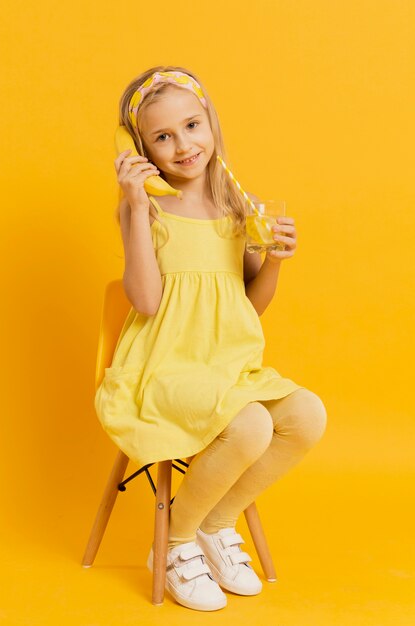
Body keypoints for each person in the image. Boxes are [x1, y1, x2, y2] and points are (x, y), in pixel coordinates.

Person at [95, 65, 327, 612]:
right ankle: (172, 544)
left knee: (306, 414)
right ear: (142, 149)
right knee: (249, 422)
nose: (183, 145)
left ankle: (212, 523)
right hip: (162, 370)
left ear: (212, 125)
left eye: (192, 126)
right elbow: (147, 302)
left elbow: (250, 307)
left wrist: (274, 259)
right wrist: (131, 203)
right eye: (163, 136)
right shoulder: (148, 209)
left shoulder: (234, 209)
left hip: (225, 367)